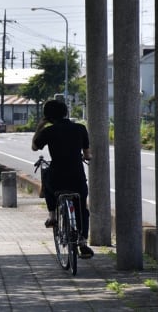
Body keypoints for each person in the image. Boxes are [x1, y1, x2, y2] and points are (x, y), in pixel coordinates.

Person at [31, 99, 94, 259]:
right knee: (82, 208)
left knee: (47, 177)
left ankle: (52, 215)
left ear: (48, 117)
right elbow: (87, 154)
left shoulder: (49, 131)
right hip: (76, 177)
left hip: (57, 176)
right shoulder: (80, 128)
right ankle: (82, 241)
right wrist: (87, 156)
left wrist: (40, 126)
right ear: (66, 112)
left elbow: (34, 147)